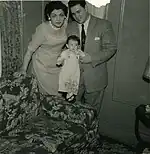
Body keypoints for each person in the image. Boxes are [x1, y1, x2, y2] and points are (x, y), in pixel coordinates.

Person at [67, 0, 117, 116]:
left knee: (92, 115)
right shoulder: (69, 27)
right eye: (73, 14)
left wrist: (91, 58)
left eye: (79, 12)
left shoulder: (104, 25)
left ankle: (91, 134)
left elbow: (111, 48)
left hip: (95, 79)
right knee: (72, 113)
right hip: (74, 80)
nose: (77, 16)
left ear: (86, 7)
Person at [14, 1, 68, 96]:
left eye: (61, 15)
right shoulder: (42, 29)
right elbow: (30, 50)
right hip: (42, 67)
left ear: (65, 16)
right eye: (54, 15)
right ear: (48, 16)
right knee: (45, 97)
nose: (58, 19)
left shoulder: (65, 26)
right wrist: (23, 69)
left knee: (59, 96)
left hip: (57, 66)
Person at [56, 35, 85, 101]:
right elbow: (60, 59)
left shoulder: (77, 52)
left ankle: (71, 95)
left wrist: (81, 53)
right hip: (66, 72)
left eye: (76, 45)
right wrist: (59, 61)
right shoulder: (65, 52)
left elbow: (83, 55)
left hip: (75, 72)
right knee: (66, 85)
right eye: (71, 45)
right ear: (67, 45)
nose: (74, 47)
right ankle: (67, 95)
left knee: (74, 84)